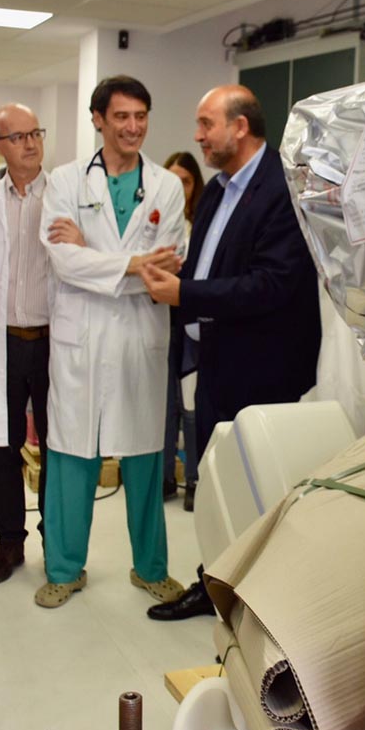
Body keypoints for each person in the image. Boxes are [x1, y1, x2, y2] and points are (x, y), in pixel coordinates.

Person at [140, 85, 322, 621]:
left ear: (240, 127)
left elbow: (271, 284)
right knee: (214, 483)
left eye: (205, 124)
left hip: (264, 365)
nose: (197, 136)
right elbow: (218, 266)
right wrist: (181, 275)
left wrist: (185, 294)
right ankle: (215, 583)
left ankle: (260, 601)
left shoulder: (280, 189)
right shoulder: (219, 190)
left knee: (258, 487)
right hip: (218, 358)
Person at [34, 75, 187, 609]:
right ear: (98, 119)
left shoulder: (166, 186)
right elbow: (62, 259)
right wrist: (131, 264)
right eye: (121, 116)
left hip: (139, 338)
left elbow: (168, 260)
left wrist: (99, 256)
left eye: (141, 116)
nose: (133, 127)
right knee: (72, 455)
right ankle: (63, 569)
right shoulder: (66, 181)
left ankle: (150, 568)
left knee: (146, 458)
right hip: (81, 337)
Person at [0, 104, 52, 584]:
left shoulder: (64, 196)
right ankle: (9, 540)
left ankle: (55, 539)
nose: (30, 143)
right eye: (17, 136)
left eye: (35, 133)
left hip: (53, 341)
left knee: (59, 446)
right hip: (4, 340)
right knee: (2, 443)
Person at [160, 151, 204, 505]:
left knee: (190, 403)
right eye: (172, 181)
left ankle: (194, 480)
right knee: (163, 405)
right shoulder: (157, 223)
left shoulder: (203, 222)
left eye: (186, 182)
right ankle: (162, 480)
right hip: (161, 320)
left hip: (192, 322)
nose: (179, 189)